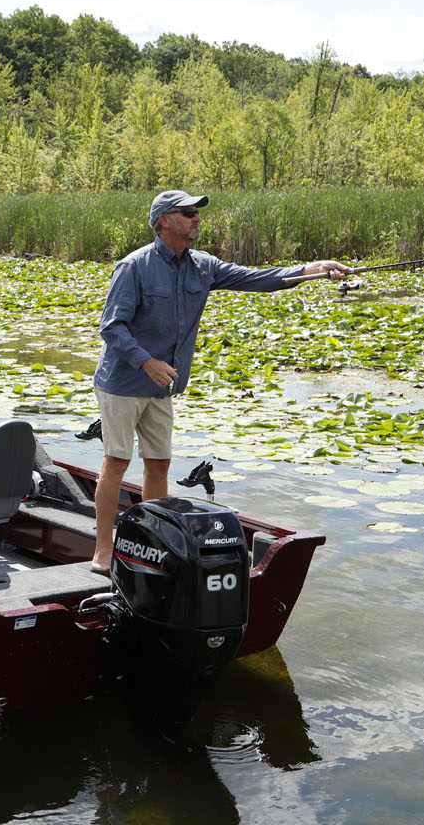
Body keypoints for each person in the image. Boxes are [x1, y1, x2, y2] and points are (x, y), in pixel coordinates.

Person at [89, 190, 351, 572]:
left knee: (159, 464)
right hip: (123, 382)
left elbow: (259, 279)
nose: (197, 218)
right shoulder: (134, 267)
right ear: (164, 220)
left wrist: (313, 269)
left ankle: (150, 542)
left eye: (198, 213)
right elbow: (111, 327)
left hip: (162, 386)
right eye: (189, 212)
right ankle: (102, 549)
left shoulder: (203, 265)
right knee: (117, 461)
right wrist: (148, 363)